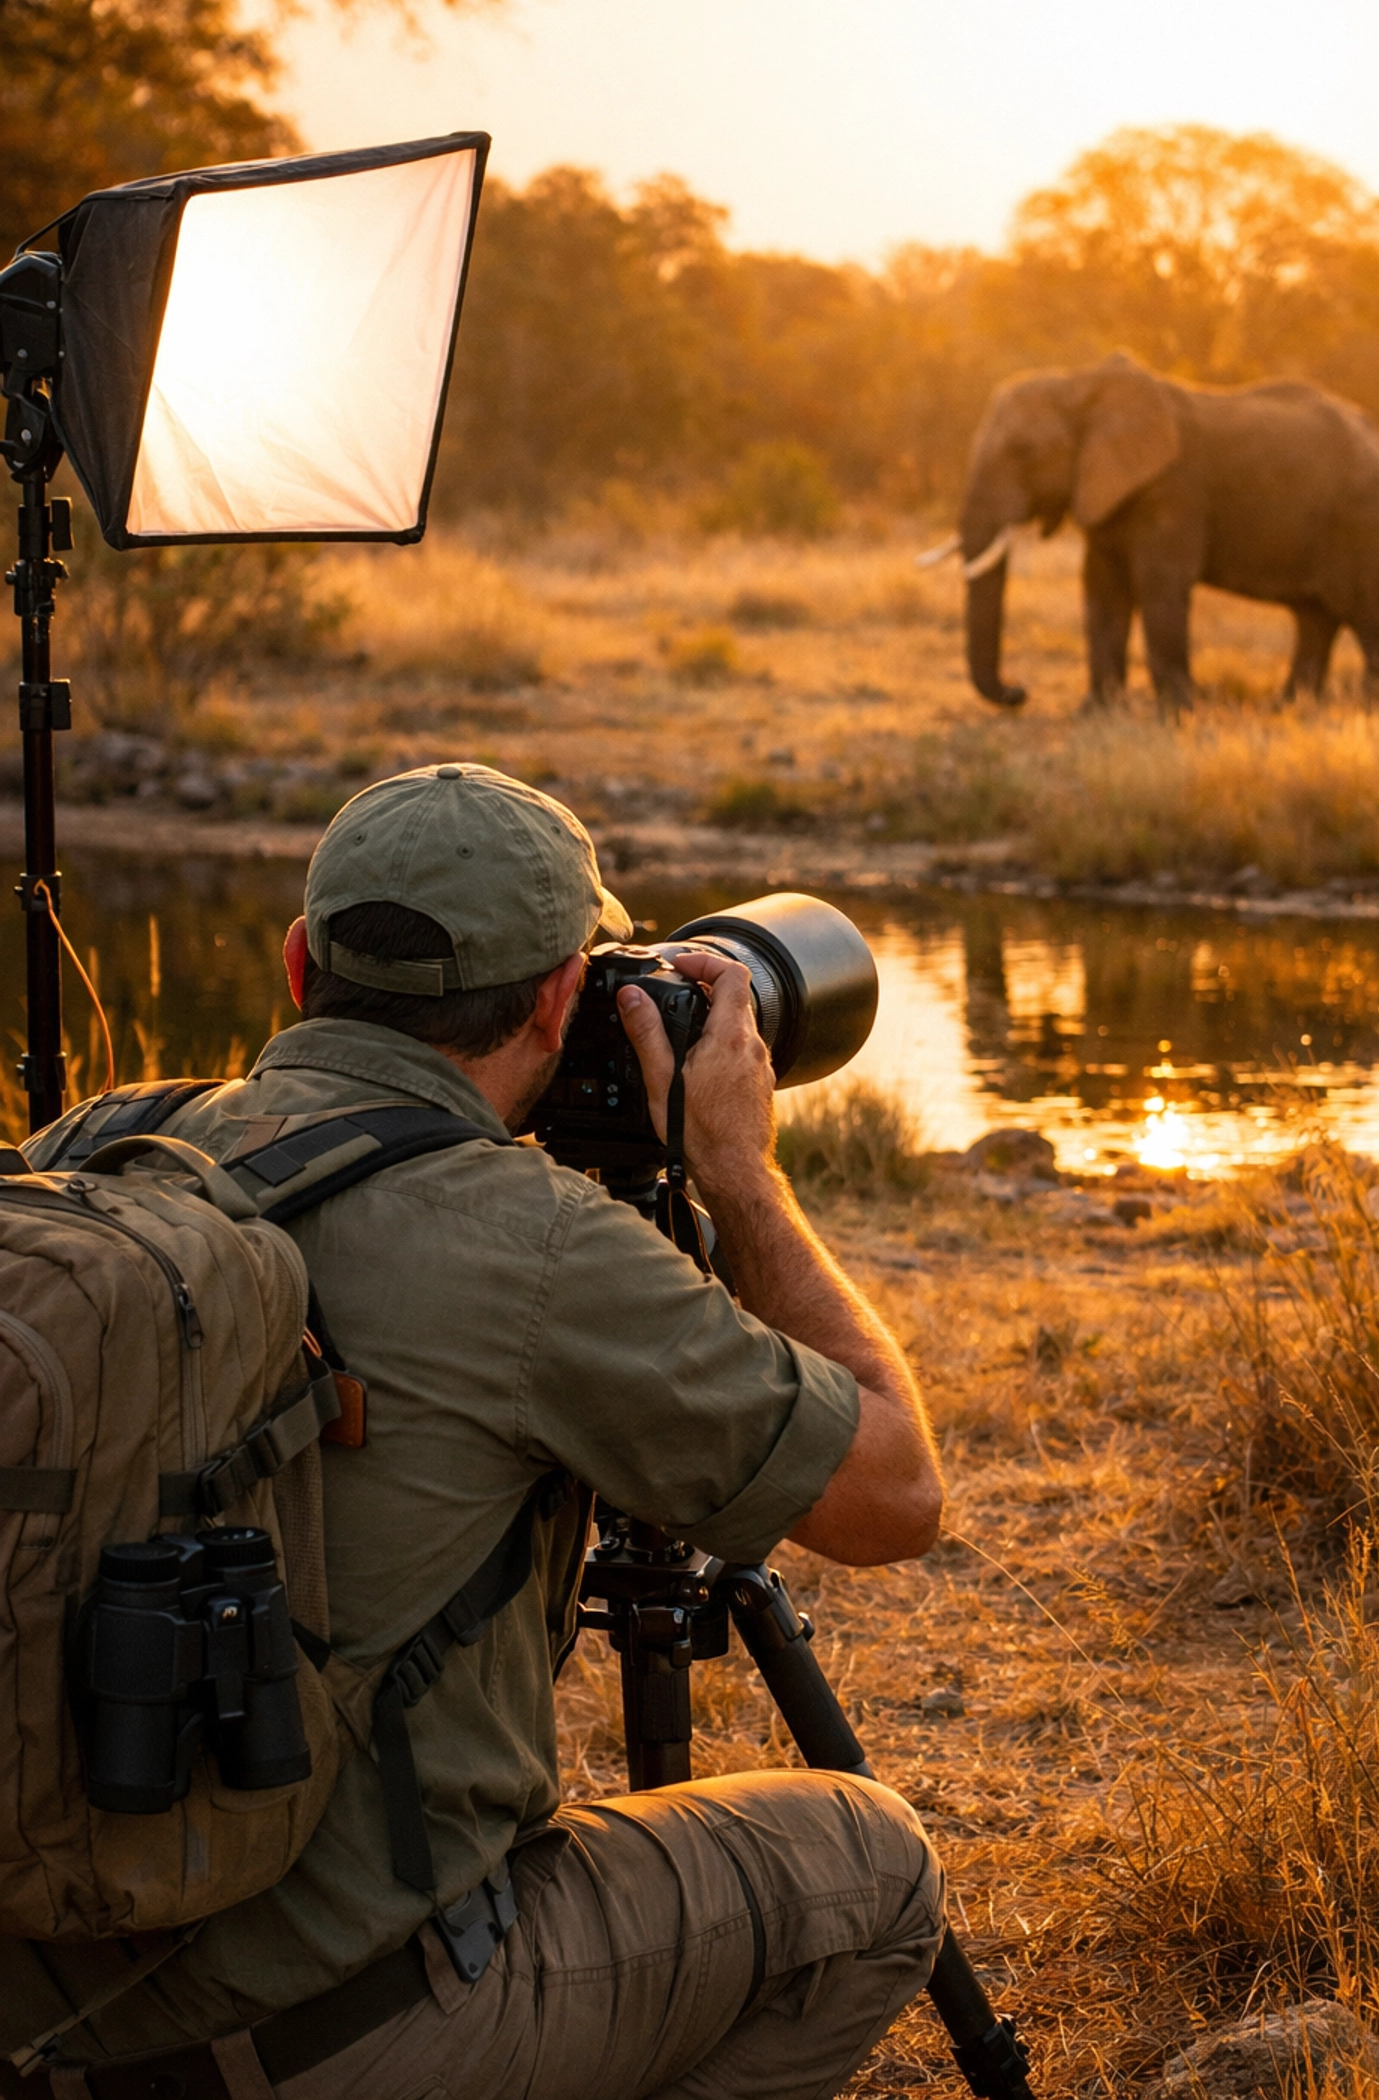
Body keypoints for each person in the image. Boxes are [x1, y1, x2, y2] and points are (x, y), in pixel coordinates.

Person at [7, 763, 946, 2100]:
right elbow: (895, 1496)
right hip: (322, 2036)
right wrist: (741, 1176)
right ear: (567, 1001)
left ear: (297, 964)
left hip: (34, 2004)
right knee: (874, 1872)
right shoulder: (541, 1248)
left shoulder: (104, 1146)